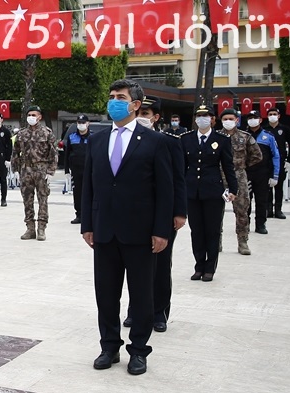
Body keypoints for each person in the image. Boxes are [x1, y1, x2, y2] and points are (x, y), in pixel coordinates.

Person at [82, 79, 175, 376]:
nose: (114, 102)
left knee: (142, 295)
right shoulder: (97, 140)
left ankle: (139, 351)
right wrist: (87, 224)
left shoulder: (155, 142)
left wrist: (162, 230)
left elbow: (165, 190)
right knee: (106, 294)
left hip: (140, 233)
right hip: (105, 231)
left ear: (136, 104)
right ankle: (109, 346)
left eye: (120, 97)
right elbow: (88, 187)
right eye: (111, 97)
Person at [123, 96, 187, 333]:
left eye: (146, 114)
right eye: (139, 114)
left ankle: (159, 312)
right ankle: (135, 310)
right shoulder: (126, 140)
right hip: (134, 214)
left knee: (160, 266)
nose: (142, 118)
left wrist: (179, 212)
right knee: (135, 266)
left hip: (162, 214)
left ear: (156, 118)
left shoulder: (168, 142)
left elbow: (178, 179)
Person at [182, 105, 238, 282]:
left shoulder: (221, 139)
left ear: (212, 119)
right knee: (196, 230)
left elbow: (228, 166)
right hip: (192, 191)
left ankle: (210, 268)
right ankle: (199, 266)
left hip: (213, 191)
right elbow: (182, 166)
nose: (202, 118)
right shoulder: (186, 138)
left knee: (212, 231)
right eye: (199, 115)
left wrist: (233, 189)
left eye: (205, 115)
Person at [13, 105, 57, 241]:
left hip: (41, 169)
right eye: (29, 115)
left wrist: (50, 171)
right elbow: (15, 152)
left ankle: (41, 228)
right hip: (26, 170)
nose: (31, 117)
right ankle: (30, 228)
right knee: (27, 199)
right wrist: (15, 170)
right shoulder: (21, 133)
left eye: (34, 115)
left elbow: (53, 153)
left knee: (43, 199)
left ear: (39, 117)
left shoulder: (47, 133)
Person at [223, 109, 263, 255]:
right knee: (214, 211)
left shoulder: (245, 137)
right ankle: (216, 241)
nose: (228, 121)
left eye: (230, 118)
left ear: (237, 120)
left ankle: (243, 242)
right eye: (225, 118)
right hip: (219, 176)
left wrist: (242, 166)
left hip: (238, 176)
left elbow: (257, 156)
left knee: (241, 210)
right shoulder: (217, 136)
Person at [245, 110, 280, 235]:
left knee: (261, 201)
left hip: (263, 173)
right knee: (246, 201)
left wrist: (275, 175)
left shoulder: (268, 136)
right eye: (250, 118)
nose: (252, 120)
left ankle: (260, 224)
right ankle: (245, 224)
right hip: (247, 173)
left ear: (260, 120)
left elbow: (275, 156)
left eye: (255, 117)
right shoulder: (243, 136)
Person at [262, 108, 290, 219]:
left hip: (280, 162)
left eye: (275, 114)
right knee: (267, 188)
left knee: (279, 187)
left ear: (279, 116)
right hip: (266, 163)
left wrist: (289, 161)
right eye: (270, 114)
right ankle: (269, 210)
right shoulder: (264, 129)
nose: (272, 116)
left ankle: (278, 210)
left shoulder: (285, 129)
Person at [64, 115, 92, 224]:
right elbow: (67, 155)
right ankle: (79, 215)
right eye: (79, 122)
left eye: (83, 122)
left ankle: (89, 215)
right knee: (78, 193)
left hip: (89, 170)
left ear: (88, 123)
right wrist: (66, 170)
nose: (81, 125)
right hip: (76, 170)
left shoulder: (93, 137)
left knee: (90, 192)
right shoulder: (72, 137)